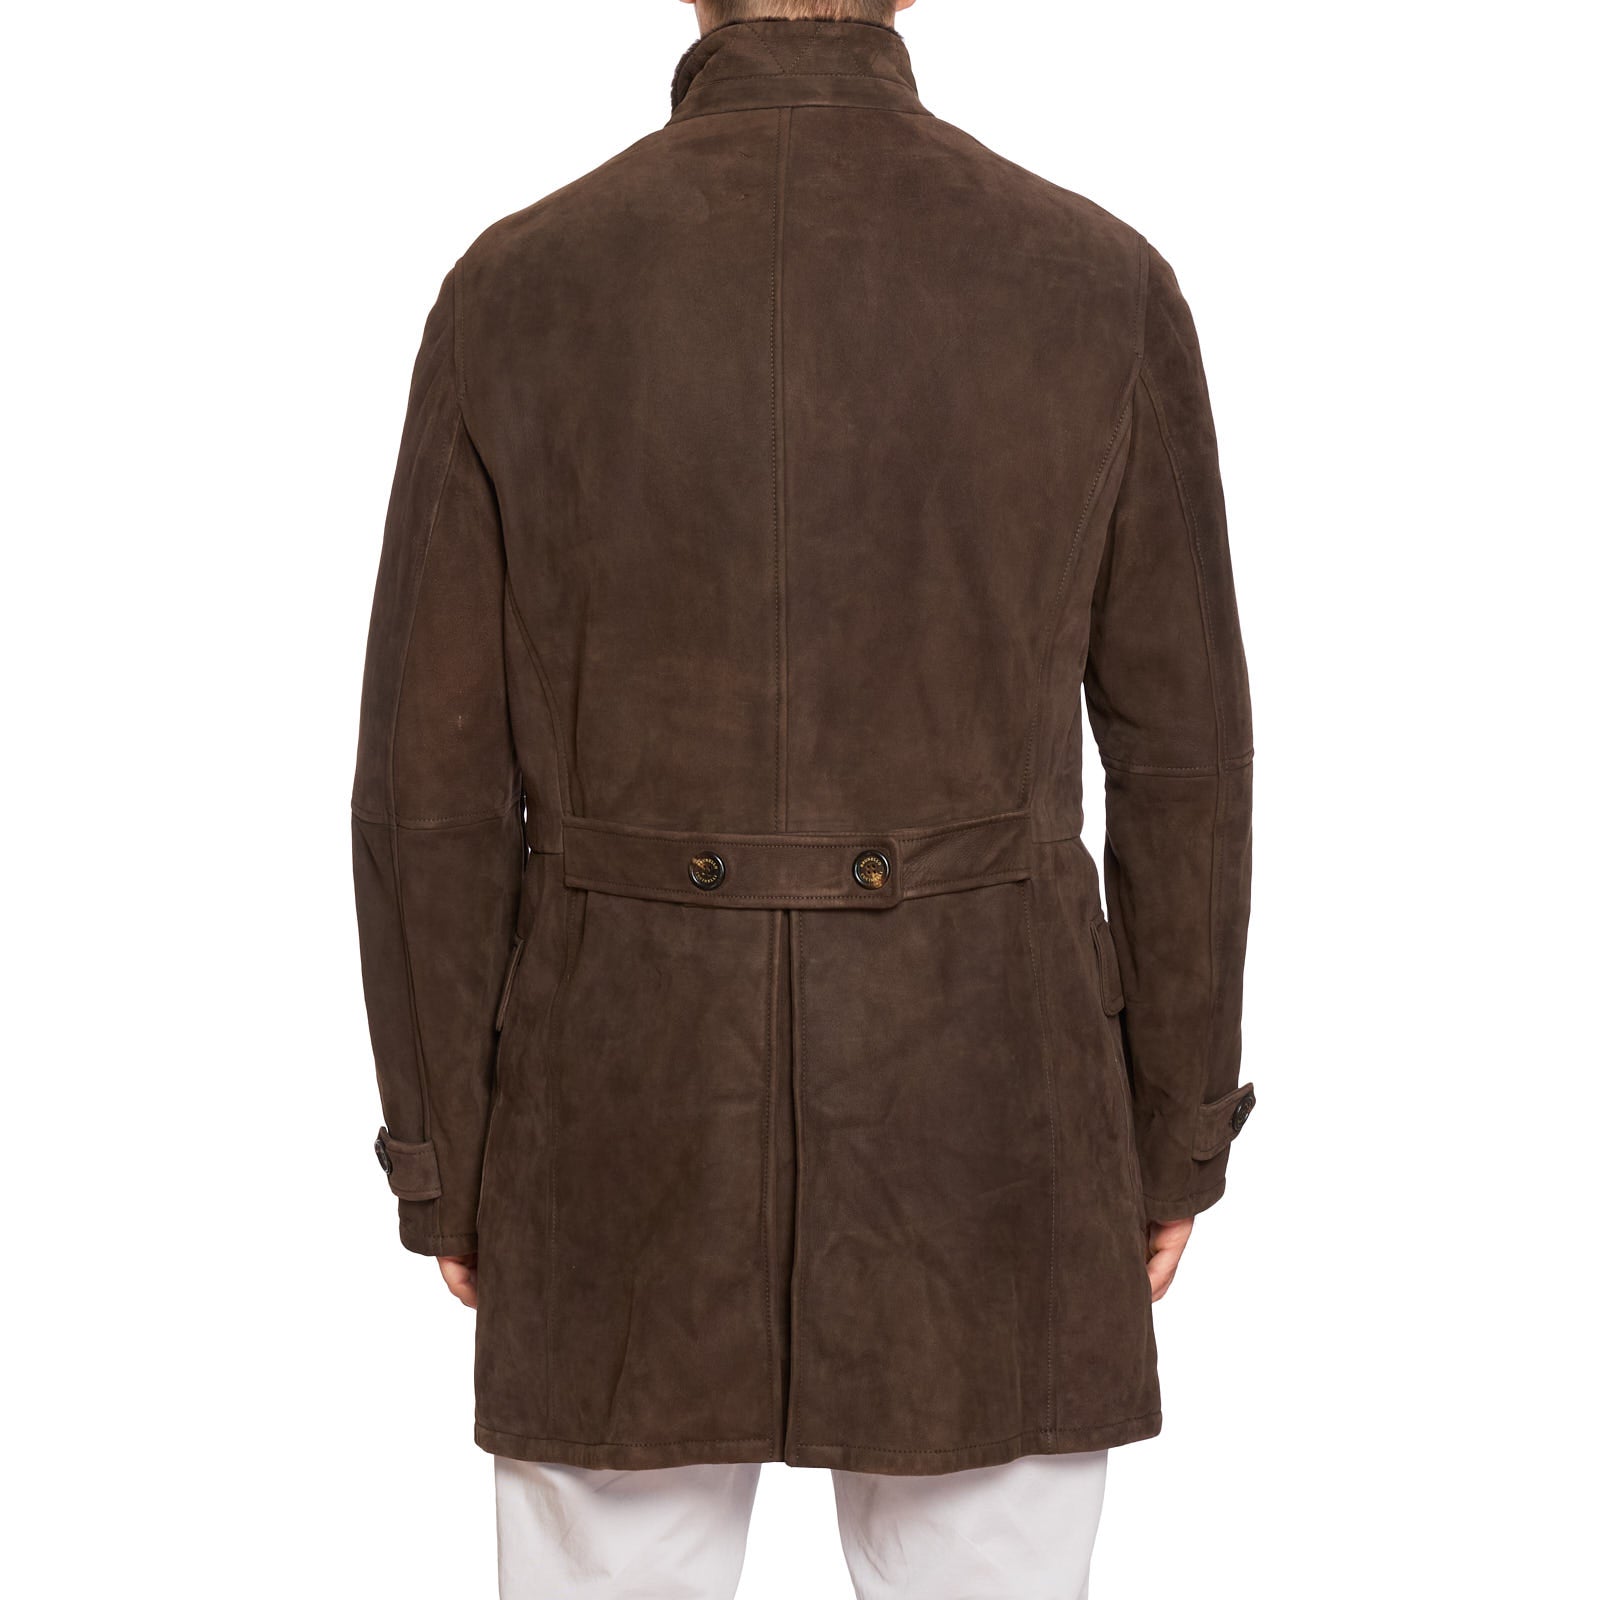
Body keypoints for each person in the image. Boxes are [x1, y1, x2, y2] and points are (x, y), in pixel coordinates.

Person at [350, 0, 1257, 1594]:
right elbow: (1184, 760)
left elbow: (428, 792)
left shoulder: (518, 287)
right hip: (990, 1116)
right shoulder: (1095, 283)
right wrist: (1171, 1131)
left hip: (619, 1111)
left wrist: (452, 1152)